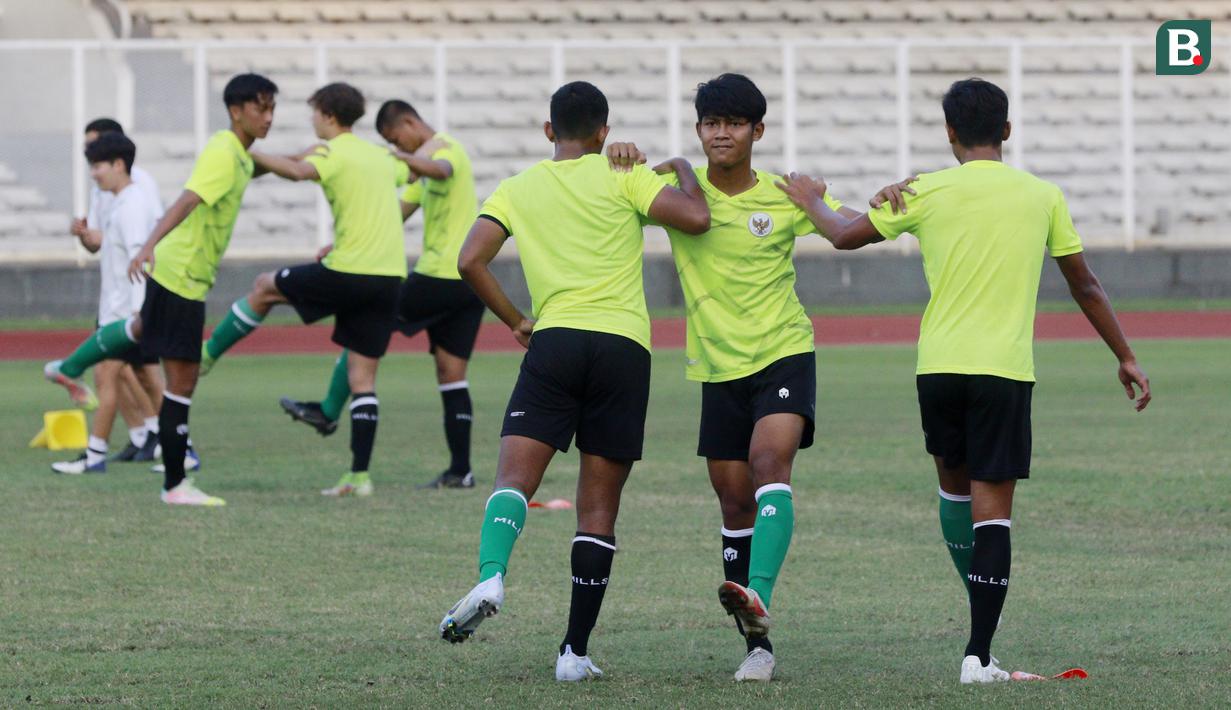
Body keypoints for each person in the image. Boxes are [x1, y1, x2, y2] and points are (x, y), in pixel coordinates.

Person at [775, 77, 1152, 684]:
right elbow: (1085, 284)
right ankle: (978, 654)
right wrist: (1126, 355)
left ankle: (979, 625)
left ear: (949, 132)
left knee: (955, 496)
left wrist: (808, 198)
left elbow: (845, 233)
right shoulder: (1042, 195)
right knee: (993, 514)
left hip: (938, 369)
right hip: (1002, 371)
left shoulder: (924, 190)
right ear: (1006, 130)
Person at [606, 73, 913, 682]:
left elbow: (851, 227)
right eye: (712, 123)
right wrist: (618, 154)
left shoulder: (781, 193)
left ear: (757, 131)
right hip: (717, 368)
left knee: (770, 465)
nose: (722, 133)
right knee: (733, 500)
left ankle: (760, 595)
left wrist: (895, 201)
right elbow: (601, 196)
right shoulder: (672, 190)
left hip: (783, 353)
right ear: (699, 130)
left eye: (735, 123)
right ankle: (757, 646)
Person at [437, 81, 710, 682]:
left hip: (554, 341)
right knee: (597, 508)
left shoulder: (518, 187)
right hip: (622, 347)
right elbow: (696, 218)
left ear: (547, 131)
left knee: (514, 477)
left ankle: (492, 574)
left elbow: (468, 260)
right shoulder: (625, 174)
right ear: (605, 133)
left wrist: (514, 321)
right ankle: (572, 652)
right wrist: (684, 169)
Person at [44, 73, 279, 506]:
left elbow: (267, 165)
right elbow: (188, 199)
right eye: (260, 108)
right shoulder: (224, 152)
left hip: (179, 272)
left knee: (137, 333)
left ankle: (69, 366)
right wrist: (149, 246)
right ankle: (175, 483)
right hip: (182, 275)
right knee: (180, 382)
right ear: (236, 111)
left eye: (271, 108)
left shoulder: (240, 155)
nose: (268, 117)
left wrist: (306, 162)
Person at [198, 82, 413, 498]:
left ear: (328, 116)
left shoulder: (331, 153)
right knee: (363, 379)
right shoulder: (380, 156)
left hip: (348, 270)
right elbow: (408, 171)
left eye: (314, 113)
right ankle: (359, 477)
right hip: (389, 276)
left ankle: (206, 356)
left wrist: (243, 154)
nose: (312, 120)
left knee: (264, 287)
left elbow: (299, 170)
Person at [279, 98, 486, 490]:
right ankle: (461, 470)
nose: (402, 149)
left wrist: (393, 156)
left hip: (438, 277)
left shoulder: (446, 148)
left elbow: (440, 170)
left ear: (409, 123)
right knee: (451, 375)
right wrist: (346, 242)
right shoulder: (421, 172)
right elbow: (393, 215)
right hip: (467, 285)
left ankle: (326, 410)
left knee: (365, 328)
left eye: (398, 139)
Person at [51, 132, 164, 474]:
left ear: (118, 165)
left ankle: (96, 455)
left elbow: (139, 259)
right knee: (144, 378)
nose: (93, 173)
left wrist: (137, 312)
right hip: (119, 310)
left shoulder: (131, 204)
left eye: (98, 166)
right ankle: (180, 447)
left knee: (107, 375)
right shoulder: (119, 202)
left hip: (124, 314)